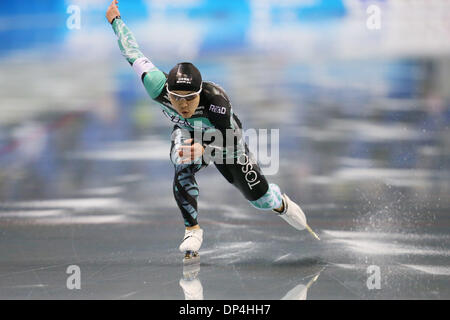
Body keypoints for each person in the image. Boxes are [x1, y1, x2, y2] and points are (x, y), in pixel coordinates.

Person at [106, 1, 319, 261]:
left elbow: (235, 142)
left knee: (259, 200)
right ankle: (192, 230)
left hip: (223, 137)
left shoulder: (217, 103)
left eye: (189, 99)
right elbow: (132, 52)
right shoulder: (155, 85)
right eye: (176, 98)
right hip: (187, 134)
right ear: (167, 93)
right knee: (182, 160)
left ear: (200, 94)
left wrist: (206, 148)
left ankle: (279, 203)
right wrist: (116, 20)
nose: (182, 105)